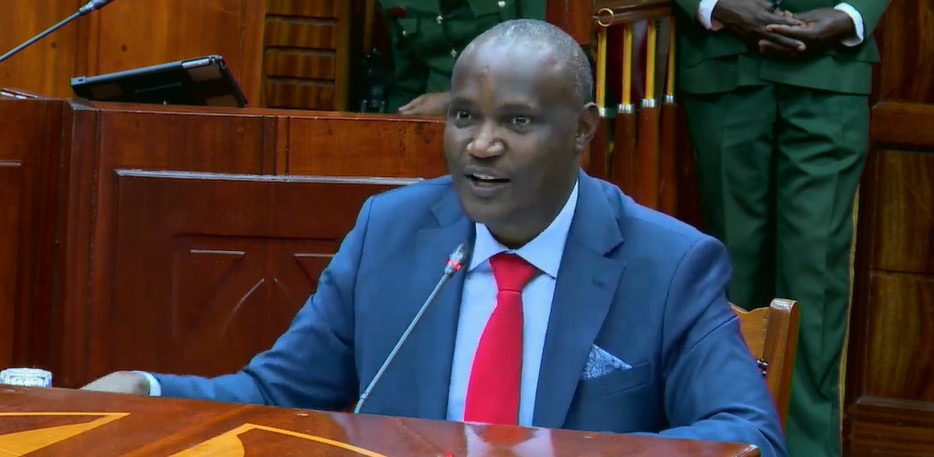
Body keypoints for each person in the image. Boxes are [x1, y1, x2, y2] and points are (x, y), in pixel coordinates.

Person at [82, 19, 786, 457]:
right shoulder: (389, 232)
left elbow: (748, 435)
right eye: (462, 117)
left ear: (581, 132)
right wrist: (145, 387)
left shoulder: (667, 262)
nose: (480, 145)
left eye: (516, 123)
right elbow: (277, 392)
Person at [671, 0, 889, 456]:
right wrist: (716, 5)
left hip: (831, 67)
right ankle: (735, 445)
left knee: (814, 280)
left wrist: (851, 14)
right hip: (723, 58)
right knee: (731, 281)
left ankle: (809, 449)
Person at [378, 0, 545, 115]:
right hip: (430, 127)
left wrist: (454, 102)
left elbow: (544, 70)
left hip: (511, 119)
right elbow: (407, 83)